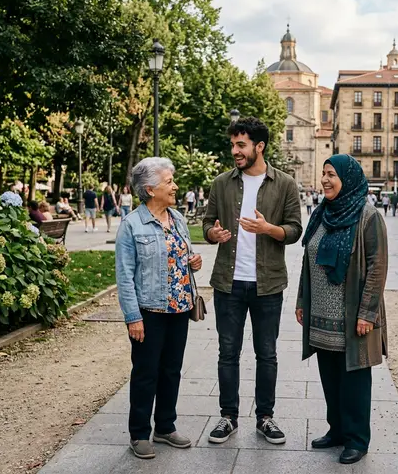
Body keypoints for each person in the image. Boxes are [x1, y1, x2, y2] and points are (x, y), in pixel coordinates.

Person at [203, 116, 302, 445]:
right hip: (228, 283)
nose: (235, 150)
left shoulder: (285, 184)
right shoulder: (221, 183)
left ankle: (265, 417)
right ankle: (227, 417)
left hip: (268, 284)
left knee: (267, 353)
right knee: (227, 352)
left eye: (241, 144)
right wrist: (213, 234)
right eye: (233, 144)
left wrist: (268, 229)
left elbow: (294, 230)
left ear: (259, 147)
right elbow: (206, 224)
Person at [296, 154, 388, 465]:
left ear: (347, 179)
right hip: (322, 317)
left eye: (331, 174)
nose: (324, 180)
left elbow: (377, 266)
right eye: (323, 174)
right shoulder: (321, 213)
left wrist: (367, 313)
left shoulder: (367, 215)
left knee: (355, 381)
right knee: (330, 378)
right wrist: (300, 301)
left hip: (352, 317)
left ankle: (357, 439)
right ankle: (336, 430)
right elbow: (308, 258)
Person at [115, 157, 203, 460]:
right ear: (150, 189)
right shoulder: (131, 225)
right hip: (149, 312)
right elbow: (124, 276)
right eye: (169, 182)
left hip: (179, 308)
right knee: (145, 373)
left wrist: (195, 261)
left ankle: (165, 426)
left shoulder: (177, 218)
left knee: (171, 371)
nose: (175, 186)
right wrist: (132, 317)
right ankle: (139, 433)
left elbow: (186, 253)